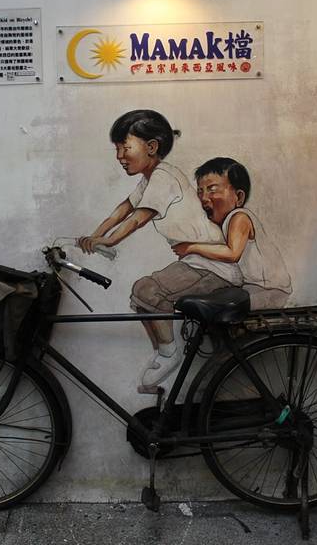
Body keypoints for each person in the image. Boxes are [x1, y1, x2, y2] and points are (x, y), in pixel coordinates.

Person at [78, 110, 242, 393]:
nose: (119, 156)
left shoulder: (165, 177)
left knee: (147, 291)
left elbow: (139, 218)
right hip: (196, 262)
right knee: (142, 296)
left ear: (151, 147)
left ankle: (168, 353)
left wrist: (110, 241)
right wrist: (95, 236)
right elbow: (123, 209)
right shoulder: (149, 179)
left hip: (211, 265)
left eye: (125, 147)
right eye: (117, 149)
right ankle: (163, 352)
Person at [172, 157, 292, 310]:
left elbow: (232, 253)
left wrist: (191, 248)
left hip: (268, 291)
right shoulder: (224, 223)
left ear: (239, 197)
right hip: (252, 287)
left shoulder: (239, 217)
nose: (203, 198)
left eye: (212, 190)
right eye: (200, 191)